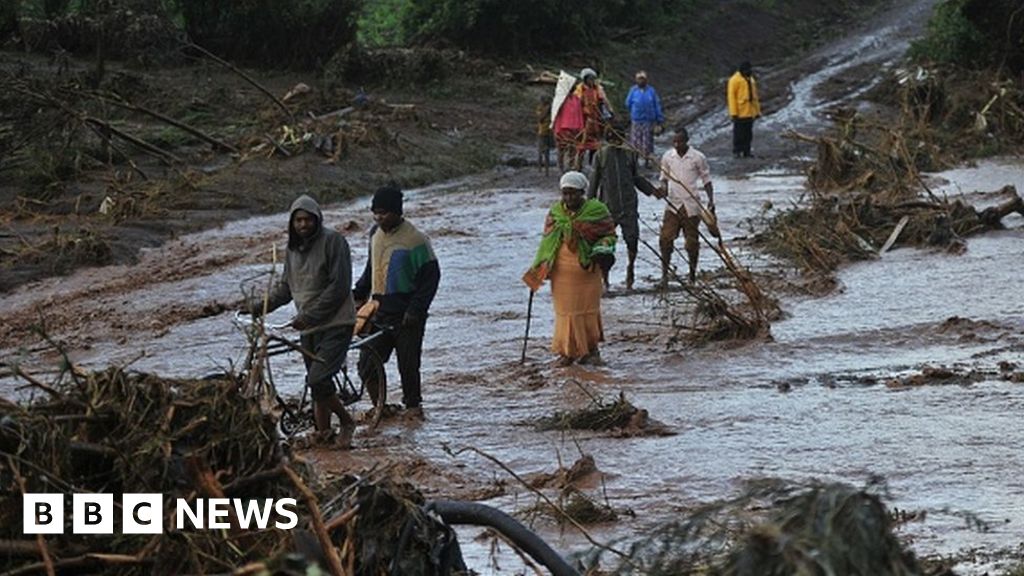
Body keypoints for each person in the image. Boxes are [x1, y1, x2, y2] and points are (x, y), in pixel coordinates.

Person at [248, 195, 357, 448]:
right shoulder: (292, 249)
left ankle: (347, 422)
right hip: (309, 326)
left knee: (317, 379)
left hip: (336, 323)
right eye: (298, 220)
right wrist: (258, 307)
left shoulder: (334, 242)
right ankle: (324, 434)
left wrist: (310, 315)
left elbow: (339, 286)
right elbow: (286, 288)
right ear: (291, 223)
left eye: (308, 219)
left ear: (317, 219)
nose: (303, 225)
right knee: (318, 384)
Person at [353, 185, 440, 418]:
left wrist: (416, 309)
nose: (379, 217)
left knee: (408, 366)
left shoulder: (416, 240)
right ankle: (380, 407)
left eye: (384, 212)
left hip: (407, 316)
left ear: (397, 212)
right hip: (380, 311)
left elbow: (430, 278)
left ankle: (413, 408)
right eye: (376, 212)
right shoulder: (375, 235)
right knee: (367, 364)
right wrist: (358, 294)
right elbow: (372, 268)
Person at [523, 171, 617, 367]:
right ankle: (567, 353)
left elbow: (609, 234)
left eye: (573, 193)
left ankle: (591, 351)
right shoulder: (555, 213)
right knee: (564, 312)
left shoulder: (597, 210)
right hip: (562, 272)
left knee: (586, 311)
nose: (569, 198)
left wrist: (603, 248)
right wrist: (537, 271)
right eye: (565, 194)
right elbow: (547, 243)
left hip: (587, 271)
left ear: (582, 192)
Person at [588, 123, 663, 290]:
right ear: (608, 138)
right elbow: (593, 183)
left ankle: (631, 268)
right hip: (607, 208)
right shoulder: (600, 155)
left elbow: (636, 178)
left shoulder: (630, 155)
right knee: (604, 246)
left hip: (629, 206)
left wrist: (652, 191)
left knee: (632, 240)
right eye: (612, 138)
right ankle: (605, 278)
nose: (616, 141)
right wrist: (588, 206)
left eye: (619, 137)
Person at [658, 128, 714, 285]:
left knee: (692, 243)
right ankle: (664, 276)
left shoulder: (697, 157)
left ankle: (692, 275)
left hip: (692, 206)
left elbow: (706, 180)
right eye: (674, 142)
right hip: (673, 205)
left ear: (687, 141)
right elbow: (664, 178)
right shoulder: (668, 157)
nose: (677, 144)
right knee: (665, 240)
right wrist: (662, 189)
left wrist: (711, 200)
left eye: (680, 141)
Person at [624, 70, 665, 168]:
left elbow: (656, 104)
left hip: (648, 121)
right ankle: (635, 161)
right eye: (639, 79)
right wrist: (634, 112)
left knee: (647, 142)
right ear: (636, 80)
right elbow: (628, 103)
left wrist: (659, 119)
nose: (641, 81)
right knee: (635, 142)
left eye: (643, 79)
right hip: (636, 120)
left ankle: (647, 161)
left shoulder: (651, 91)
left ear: (646, 80)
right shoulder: (633, 90)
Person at [574, 67, 612, 169]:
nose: (591, 81)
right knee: (581, 145)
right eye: (589, 79)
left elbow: (604, 100)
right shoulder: (579, 89)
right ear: (585, 79)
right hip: (583, 120)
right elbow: (576, 104)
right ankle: (578, 166)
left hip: (595, 120)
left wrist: (610, 111)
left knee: (595, 145)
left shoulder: (597, 89)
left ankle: (593, 164)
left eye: (592, 79)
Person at [727, 60, 761, 158]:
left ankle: (747, 150)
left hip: (750, 111)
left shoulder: (751, 79)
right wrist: (733, 112)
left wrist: (757, 111)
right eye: (747, 69)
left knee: (748, 133)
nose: (749, 71)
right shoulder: (734, 80)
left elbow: (755, 97)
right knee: (738, 133)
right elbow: (731, 97)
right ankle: (737, 151)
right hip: (740, 112)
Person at [535, 94, 555, 175]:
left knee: (547, 152)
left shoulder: (552, 110)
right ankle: (540, 169)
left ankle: (546, 170)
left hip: (550, 132)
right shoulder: (540, 108)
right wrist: (547, 110)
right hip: (542, 132)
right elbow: (540, 119)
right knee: (541, 151)